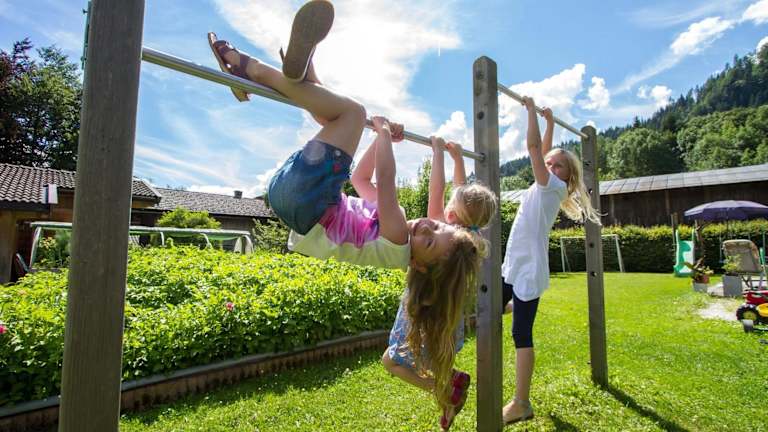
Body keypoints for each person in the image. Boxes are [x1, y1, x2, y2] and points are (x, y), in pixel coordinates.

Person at [208, 1, 486, 427]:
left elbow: (387, 183)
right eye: (435, 226)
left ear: (418, 263)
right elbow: (360, 179)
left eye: (429, 238)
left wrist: (383, 134)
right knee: (337, 117)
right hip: (301, 200)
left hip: (308, 202)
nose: (426, 225)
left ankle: (247, 66)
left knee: (352, 113)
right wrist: (377, 140)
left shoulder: (396, 239)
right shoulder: (396, 238)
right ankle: (305, 76)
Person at [374, 135, 495, 430]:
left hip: (423, 317)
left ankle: (445, 390)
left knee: (391, 360)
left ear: (452, 213)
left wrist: (438, 152)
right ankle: (448, 394)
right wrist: (457, 159)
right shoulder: (469, 241)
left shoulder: (443, 234)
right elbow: (459, 192)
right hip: (446, 321)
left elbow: (437, 191)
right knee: (434, 361)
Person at [501, 96, 601, 424]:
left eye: (559, 165)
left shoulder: (552, 186)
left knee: (521, 335)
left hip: (528, 269)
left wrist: (530, 111)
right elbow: (542, 153)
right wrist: (550, 123)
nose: (551, 167)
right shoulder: (545, 182)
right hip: (514, 263)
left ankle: (521, 403)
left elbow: (533, 149)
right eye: (551, 163)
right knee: (491, 307)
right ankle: (514, 305)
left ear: (567, 176)